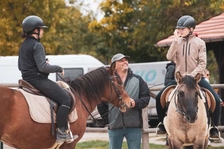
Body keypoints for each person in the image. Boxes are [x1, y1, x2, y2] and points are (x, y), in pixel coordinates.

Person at [155, 15, 223, 139]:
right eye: (179, 29)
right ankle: (162, 125)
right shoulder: (177, 42)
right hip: (180, 80)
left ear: (191, 29)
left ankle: (214, 127)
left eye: (182, 29)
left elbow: (202, 63)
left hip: (196, 79)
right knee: (159, 97)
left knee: (216, 100)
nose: (180, 31)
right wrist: (175, 40)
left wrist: (191, 77)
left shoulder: (200, 43)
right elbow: (169, 57)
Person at [18, 15, 77, 143]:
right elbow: (43, 68)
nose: (42, 31)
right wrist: (57, 68)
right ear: (35, 30)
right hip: (38, 80)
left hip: (26, 79)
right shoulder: (37, 45)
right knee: (66, 99)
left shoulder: (23, 46)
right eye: (41, 29)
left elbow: (20, 66)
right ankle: (62, 132)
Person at [97, 53, 150, 149]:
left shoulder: (138, 80)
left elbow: (146, 98)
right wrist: (108, 119)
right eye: (121, 60)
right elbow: (101, 102)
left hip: (134, 126)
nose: (125, 62)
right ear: (114, 65)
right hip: (114, 127)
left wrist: (136, 103)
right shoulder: (108, 82)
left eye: (126, 60)